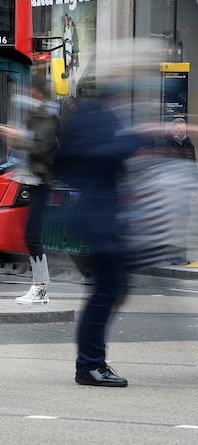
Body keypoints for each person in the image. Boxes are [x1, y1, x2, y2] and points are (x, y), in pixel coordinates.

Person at [55, 87, 149, 387]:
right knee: (104, 293)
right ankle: (89, 365)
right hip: (97, 221)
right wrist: (140, 136)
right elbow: (101, 154)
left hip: (104, 221)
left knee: (111, 290)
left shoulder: (99, 118)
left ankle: (92, 362)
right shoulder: (95, 117)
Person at [0, 76, 61, 305]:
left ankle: (41, 288)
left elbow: (40, 147)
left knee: (32, 234)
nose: (29, 94)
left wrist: (16, 137)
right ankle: (39, 287)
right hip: (34, 179)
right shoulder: (40, 115)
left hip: (41, 181)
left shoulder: (48, 117)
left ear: (38, 92)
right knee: (29, 234)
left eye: (31, 90)